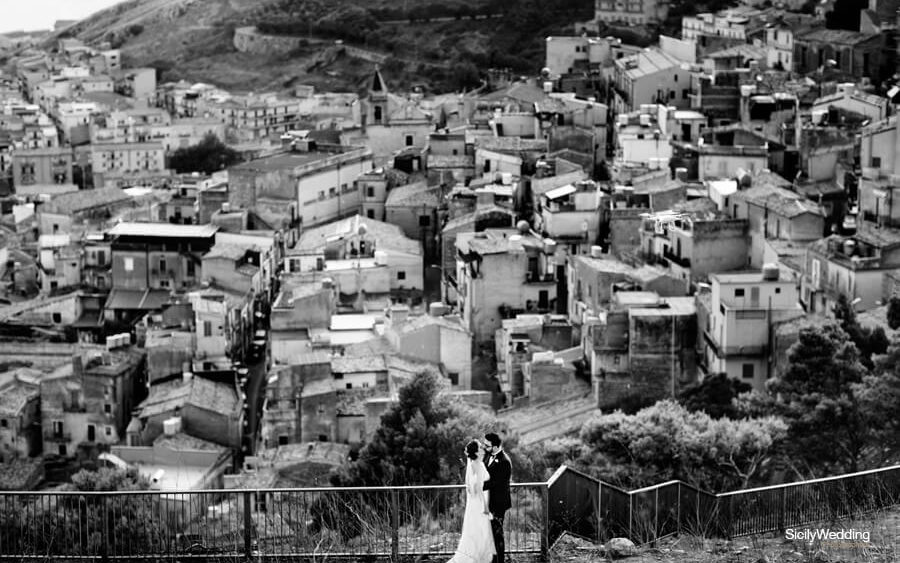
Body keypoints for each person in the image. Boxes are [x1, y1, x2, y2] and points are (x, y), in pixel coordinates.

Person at [448, 440, 496, 563]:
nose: (482, 449)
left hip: (473, 503)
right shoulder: (479, 465)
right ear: (476, 451)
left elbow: (470, 488)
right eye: (480, 447)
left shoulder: (473, 464)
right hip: (480, 503)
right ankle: (477, 558)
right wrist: (485, 507)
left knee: (473, 531)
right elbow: (479, 489)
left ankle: (472, 556)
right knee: (480, 531)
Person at [483, 432, 511, 563]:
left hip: (499, 503)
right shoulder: (488, 455)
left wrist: (478, 486)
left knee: (497, 534)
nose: (484, 447)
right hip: (488, 502)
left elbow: (495, 482)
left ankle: (500, 561)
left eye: (487, 445)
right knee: (490, 534)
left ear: (495, 446)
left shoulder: (504, 461)